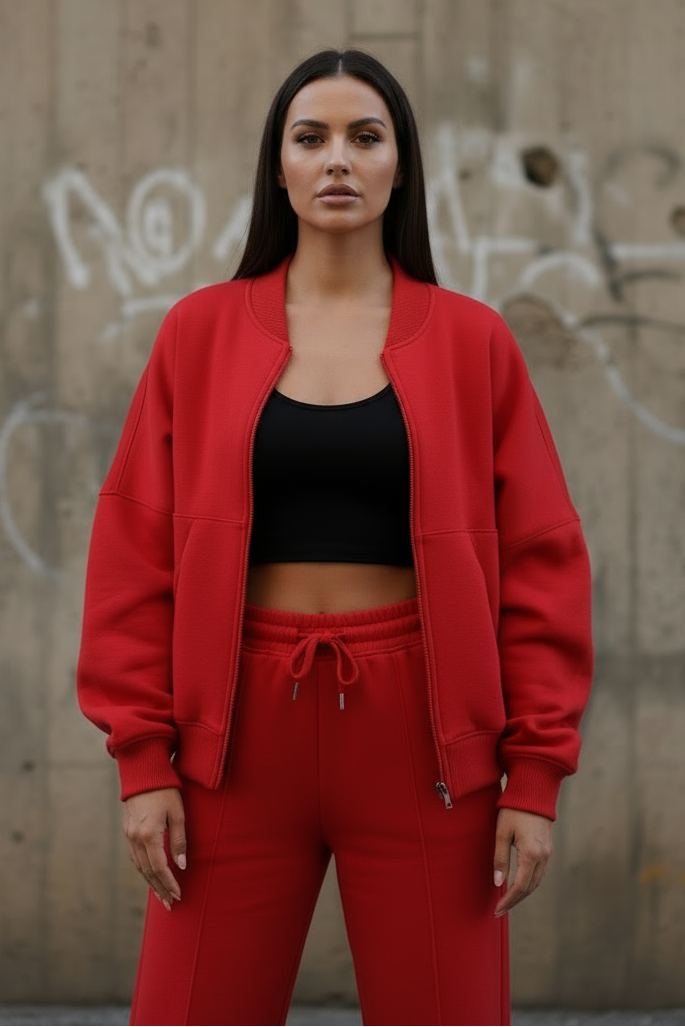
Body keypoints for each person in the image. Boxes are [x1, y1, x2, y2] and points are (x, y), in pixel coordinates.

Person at [77, 48, 593, 1027]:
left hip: (424, 737)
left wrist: (532, 778)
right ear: (277, 167)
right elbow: (133, 555)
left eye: (366, 136)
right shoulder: (199, 332)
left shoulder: (472, 341)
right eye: (310, 138)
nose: (337, 160)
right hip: (228, 736)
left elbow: (541, 564)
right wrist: (144, 763)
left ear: (400, 163)